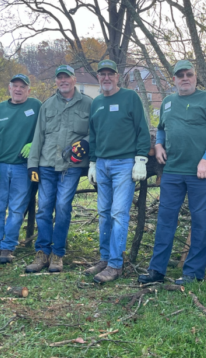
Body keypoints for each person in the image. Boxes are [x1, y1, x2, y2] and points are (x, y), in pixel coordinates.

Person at [138, 60, 206, 286]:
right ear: (174, 79)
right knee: (165, 220)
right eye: (180, 75)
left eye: (189, 74)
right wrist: (158, 144)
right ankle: (157, 270)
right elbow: (162, 128)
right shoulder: (167, 102)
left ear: (195, 77)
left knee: (202, 222)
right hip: (173, 171)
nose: (184, 78)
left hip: (203, 173)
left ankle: (193, 273)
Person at [84, 59, 151, 284]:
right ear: (98, 77)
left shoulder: (130, 98)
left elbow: (142, 129)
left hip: (124, 163)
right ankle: (104, 259)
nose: (106, 78)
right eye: (102, 74)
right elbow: (93, 135)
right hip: (102, 163)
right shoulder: (97, 102)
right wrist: (92, 162)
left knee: (118, 214)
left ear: (117, 76)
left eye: (110, 74)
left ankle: (115, 265)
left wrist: (140, 159)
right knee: (103, 213)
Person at [25, 65, 93, 273]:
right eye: (60, 78)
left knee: (63, 206)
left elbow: (96, 132)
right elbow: (38, 136)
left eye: (67, 77)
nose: (63, 81)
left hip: (70, 166)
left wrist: (87, 143)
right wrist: (32, 164)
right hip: (46, 165)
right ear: (56, 81)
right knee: (44, 208)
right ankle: (42, 252)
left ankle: (58, 254)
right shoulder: (47, 105)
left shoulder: (89, 104)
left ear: (74, 80)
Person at [0, 74, 42, 264]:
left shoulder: (36, 106)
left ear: (28, 90)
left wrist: (34, 144)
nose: (18, 89)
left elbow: (46, 130)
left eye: (22, 87)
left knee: (16, 209)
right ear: (9, 88)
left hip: (22, 168)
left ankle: (8, 246)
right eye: (15, 86)